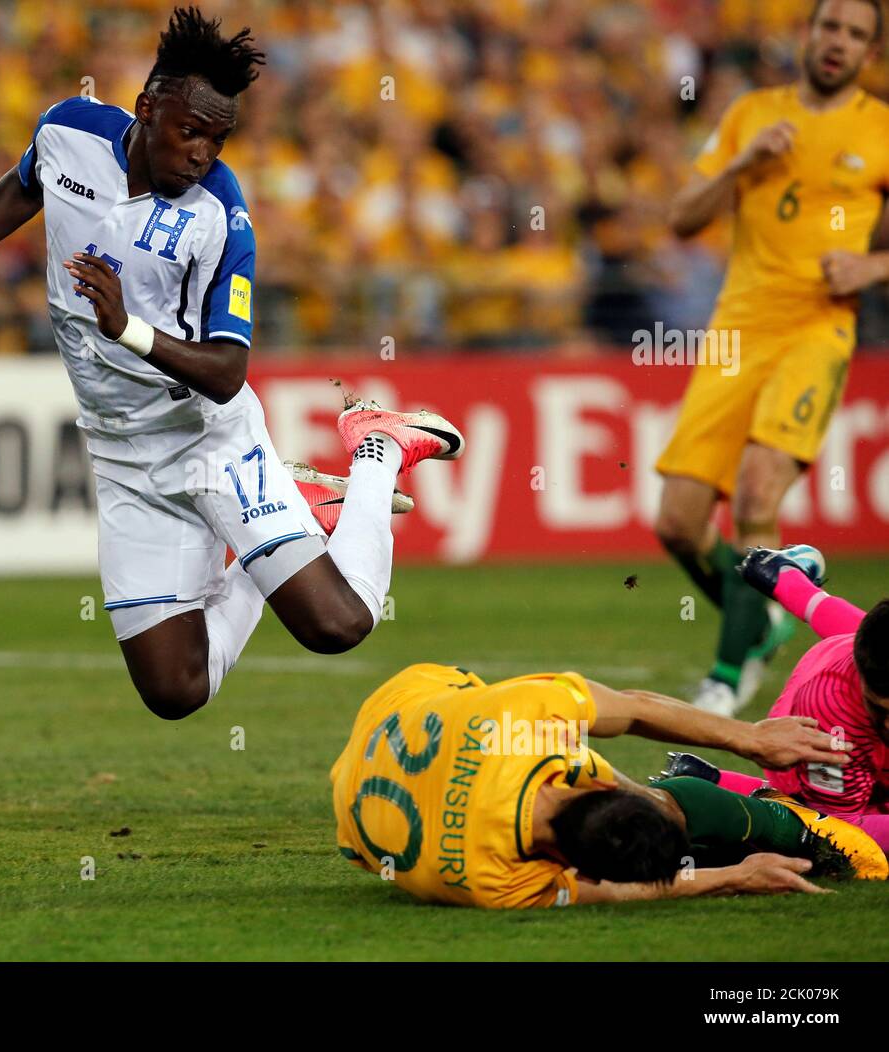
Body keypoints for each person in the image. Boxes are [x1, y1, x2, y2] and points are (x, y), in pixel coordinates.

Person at [0, 7, 463, 720]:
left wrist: (126, 327)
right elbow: (26, 183)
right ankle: (304, 505)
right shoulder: (69, 129)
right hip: (122, 455)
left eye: (218, 140)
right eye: (190, 131)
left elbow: (226, 372)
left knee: (337, 627)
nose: (201, 154)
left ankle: (375, 448)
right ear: (147, 109)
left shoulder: (221, 217)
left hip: (211, 442)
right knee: (174, 691)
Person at [655, 0, 889, 716]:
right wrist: (742, 163)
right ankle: (771, 610)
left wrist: (873, 269)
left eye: (855, 34)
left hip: (816, 331)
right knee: (678, 524)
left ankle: (726, 679)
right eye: (829, 27)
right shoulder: (752, 113)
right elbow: (681, 217)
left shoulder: (880, 127)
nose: (837, 42)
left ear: (869, 52)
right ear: (808, 33)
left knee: (757, 496)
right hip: (735, 330)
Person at [330, 658, 883, 909]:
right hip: (378, 744)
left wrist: (752, 739)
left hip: (390, 730)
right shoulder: (527, 725)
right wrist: (730, 876)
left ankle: (714, 799)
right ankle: (759, 815)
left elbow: (602, 886)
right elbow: (637, 709)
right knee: (656, 810)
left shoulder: (492, 878)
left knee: (652, 814)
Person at [662, 544, 889, 855]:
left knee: (866, 632)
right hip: (820, 724)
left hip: (851, 660)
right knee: (819, 834)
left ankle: (782, 576)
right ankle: (718, 787)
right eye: (880, 709)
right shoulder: (830, 710)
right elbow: (839, 827)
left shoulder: (868, 651)